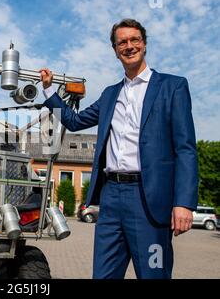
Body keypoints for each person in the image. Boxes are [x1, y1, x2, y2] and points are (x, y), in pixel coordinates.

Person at [39, 18, 198, 279]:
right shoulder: (110, 94)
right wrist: (48, 91)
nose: (129, 46)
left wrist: (183, 203)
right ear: (115, 50)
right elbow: (75, 121)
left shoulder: (173, 86)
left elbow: (185, 149)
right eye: (122, 42)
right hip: (111, 198)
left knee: (153, 274)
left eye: (134, 39)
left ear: (144, 44)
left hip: (149, 199)